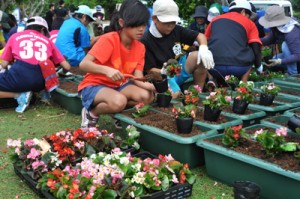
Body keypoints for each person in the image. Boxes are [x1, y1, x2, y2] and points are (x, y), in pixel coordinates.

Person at [78, 0, 155, 128]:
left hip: (118, 86)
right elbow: (83, 64)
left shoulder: (140, 47)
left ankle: (115, 112)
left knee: (147, 96)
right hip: (95, 85)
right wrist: (106, 70)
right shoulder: (109, 39)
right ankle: (91, 113)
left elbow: (137, 77)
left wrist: (152, 86)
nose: (141, 29)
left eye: (143, 24)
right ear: (122, 23)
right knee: (119, 101)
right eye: (136, 24)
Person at [140, 0, 214, 98]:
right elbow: (150, 70)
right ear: (154, 19)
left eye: (173, 22)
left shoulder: (177, 30)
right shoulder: (146, 40)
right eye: (167, 22)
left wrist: (204, 47)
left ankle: (197, 93)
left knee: (199, 56)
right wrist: (164, 71)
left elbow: (200, 36)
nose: (170, 25)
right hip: (163, 76)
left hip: (180, 70)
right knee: (174, 95)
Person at [0, 16, 71, 113]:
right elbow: (67, 66)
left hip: (19, 77)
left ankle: (18, 95)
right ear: (42, 29)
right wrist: (60, 73)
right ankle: (37, 93)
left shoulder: (15, 37)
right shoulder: (48, 41)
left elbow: (4, 64)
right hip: (40, 83)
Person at [205, 0, 261, 85]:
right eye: (248, 15)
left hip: (213, 68)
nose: (249, 18)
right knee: (252, 52)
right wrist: (258, 65)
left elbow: (204, 41)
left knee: (203, 53)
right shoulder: (249, 23)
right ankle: (243, 84)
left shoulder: (215, 20)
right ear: (243, 12)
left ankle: (211, 79)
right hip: (239, 68)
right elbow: (256, 47)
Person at [259, 6, 300, 75]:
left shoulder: (291, 31)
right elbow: (269, 40)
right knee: (275, 58)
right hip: (296, 54)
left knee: (285, 45)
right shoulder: (278, 27)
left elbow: (298, 55)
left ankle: (293, 74)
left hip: (298, 55)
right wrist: (254, 41)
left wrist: (280, 61)